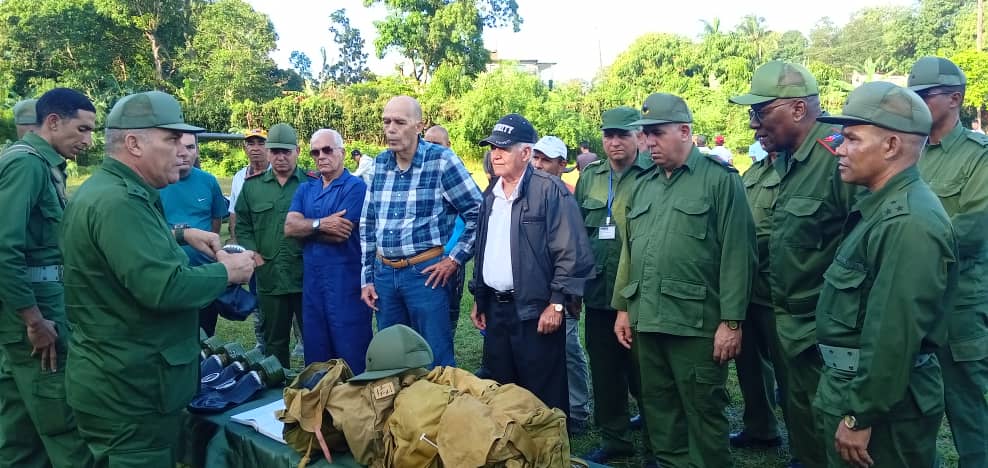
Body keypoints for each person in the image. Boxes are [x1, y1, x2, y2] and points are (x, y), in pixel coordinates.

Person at [62, 91, 255, 467]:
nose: (181, 150)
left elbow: (124, 251)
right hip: (129, 393)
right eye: (170, 139)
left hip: (124, 383)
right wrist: (227, 272)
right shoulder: (120, 202)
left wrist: (181, 234)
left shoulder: (112, 192)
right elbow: (164, 287)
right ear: (133, 143)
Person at [814, 81, 957, 468]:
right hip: (856, 388)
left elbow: (893, 332)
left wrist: (861, 414)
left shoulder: (909, 221)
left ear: (891, 146)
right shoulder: (882, 207)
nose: (839, 150)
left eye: (851, 139)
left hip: (884, 410)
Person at [612, 93, 756, 468]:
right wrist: (624, 308)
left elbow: (738, 254)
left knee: (704, 415)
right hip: (648, 320)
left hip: (696, 325)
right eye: (645, 135)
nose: (649, 143)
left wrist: (732, 322)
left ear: (685, 131)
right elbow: (631, 250)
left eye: (657, 134)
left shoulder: (719, 181)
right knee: (661, 415)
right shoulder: (645, 185)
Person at [729, 61, 859, 468]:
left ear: (799, 110)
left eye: (761, 112)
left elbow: (869, 247)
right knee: (802, 414)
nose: (753, 125)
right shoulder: (785, 159)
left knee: (834, 426)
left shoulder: (838, 158)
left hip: (829, 330)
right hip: (791, 321)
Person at [469, 113, 595, 419]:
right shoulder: (491, 195)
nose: (494, 154)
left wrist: (557, 303)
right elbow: (485, 247)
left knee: (543, 397)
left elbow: (572, 251)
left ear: (525, 153)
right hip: (498, 312)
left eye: (503, 148)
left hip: (537, 310)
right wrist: (480, 297)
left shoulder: (550, 190)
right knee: (501, 393)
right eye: (492, 147)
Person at [0, 88, 96, 468]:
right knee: (61, 419)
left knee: (21, 424)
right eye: (82, 129)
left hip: (36, 307)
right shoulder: (26, 165)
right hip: (36, 314)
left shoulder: (45, 165)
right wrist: (33, 319)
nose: (88, 140)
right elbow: (4, 249)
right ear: (53, 121)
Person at [359, 96, 482, 368]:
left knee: (434, 356)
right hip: (384, 275)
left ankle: (439, 408)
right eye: (386, 121)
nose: (390, 129)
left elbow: (478, 213)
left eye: (399, 122)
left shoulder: (441, 161)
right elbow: (368, 224)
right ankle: (401, 410)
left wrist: (454, 259)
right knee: (392, 356)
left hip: (425, 275)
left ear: (418, 126)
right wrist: (367, 278)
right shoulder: (379, 164)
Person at [908, 56, 988, 468]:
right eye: (913, 96)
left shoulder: (978, 156)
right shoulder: (907, 151)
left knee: (968, 407)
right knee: (912, 405)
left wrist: (904, 251)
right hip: (910, 300)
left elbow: (973, 228)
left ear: (954, 99)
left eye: (925, 96)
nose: (916, 103)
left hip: (959, 304)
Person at [575, 106, 656, 466]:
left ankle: (657, 445)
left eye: (623, 134)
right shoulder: (590, 177)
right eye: (609, 135)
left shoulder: (654, 174)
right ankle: (616, 438)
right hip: (598, 294)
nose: (614, 142)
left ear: (638, 137)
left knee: (647, 375)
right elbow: (576, 236)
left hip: (640, 295)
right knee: (605, 373)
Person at [284, 129, 372, 372]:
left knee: (351, 352)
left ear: (342, 152)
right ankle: (320, 405)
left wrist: (308, 228)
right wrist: (321, 223)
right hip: (313, 286)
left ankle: (356, 406)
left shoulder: (355, 187)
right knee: (317, 354)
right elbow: (290, 228)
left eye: (327, 150)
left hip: (347, 285)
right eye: (315, 152)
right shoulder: (305, 189)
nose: (321, 156)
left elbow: (341, 233)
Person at [528, 134, 592, 434]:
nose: (538, 165)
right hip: (532, 289)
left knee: (567, 347)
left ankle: (578, 408)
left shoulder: (567, 194)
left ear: (561, 165)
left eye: (546, 160)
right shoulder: (523, 191)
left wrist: (571, 292)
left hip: (561, 288)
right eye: (535, 158)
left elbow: (574, 248)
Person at [235, 123, 312, 368]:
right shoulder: (252, 186)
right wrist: (252, 252)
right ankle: (277, 395)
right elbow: (243, 225)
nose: (280, 157)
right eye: (275, 151)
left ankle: (316, 389)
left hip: (306, 275)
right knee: (274, 341)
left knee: (314, 338)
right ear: (268, 153)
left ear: (297, 151)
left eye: (286, 152)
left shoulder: (312, 183)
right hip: (270, 275)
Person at [734, 134, 785, 450]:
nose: (757, 132)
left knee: (791, 374)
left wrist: (745, 247)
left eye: (765, 123)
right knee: (749, 365)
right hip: (746, 288)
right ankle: (761, 428)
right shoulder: (753, 172)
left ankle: (806, 451)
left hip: (780, 291)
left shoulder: (802, 169)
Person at [159, 133, 228, 336]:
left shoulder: (208, 181)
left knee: (205, 334)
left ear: (197, 150)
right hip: (169, 274)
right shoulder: (158, 182)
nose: (184, 153)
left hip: (204, 274)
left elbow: (216, 221)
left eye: (190, 147)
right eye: (178, 146)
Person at [422, 125, 470, 337]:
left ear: (449, 146)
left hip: (450, 257)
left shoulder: (455, 173)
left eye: (437, 144)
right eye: (427, 143)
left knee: (447, 315)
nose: (431, 149)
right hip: (424, 258)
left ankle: (445, 364)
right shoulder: (419, 174)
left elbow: (470, 218)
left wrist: (452, 256)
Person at [229, 128, 269, 351]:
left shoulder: (277, 174)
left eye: (260, 143)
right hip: (250, 249)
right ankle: (261, 341)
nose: (255, 148)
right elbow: (234, 213)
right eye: (250, 143)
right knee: (256, 295)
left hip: (274, 246)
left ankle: (301, 341)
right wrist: (236, 244)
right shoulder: (238, 177)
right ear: (245, 148)